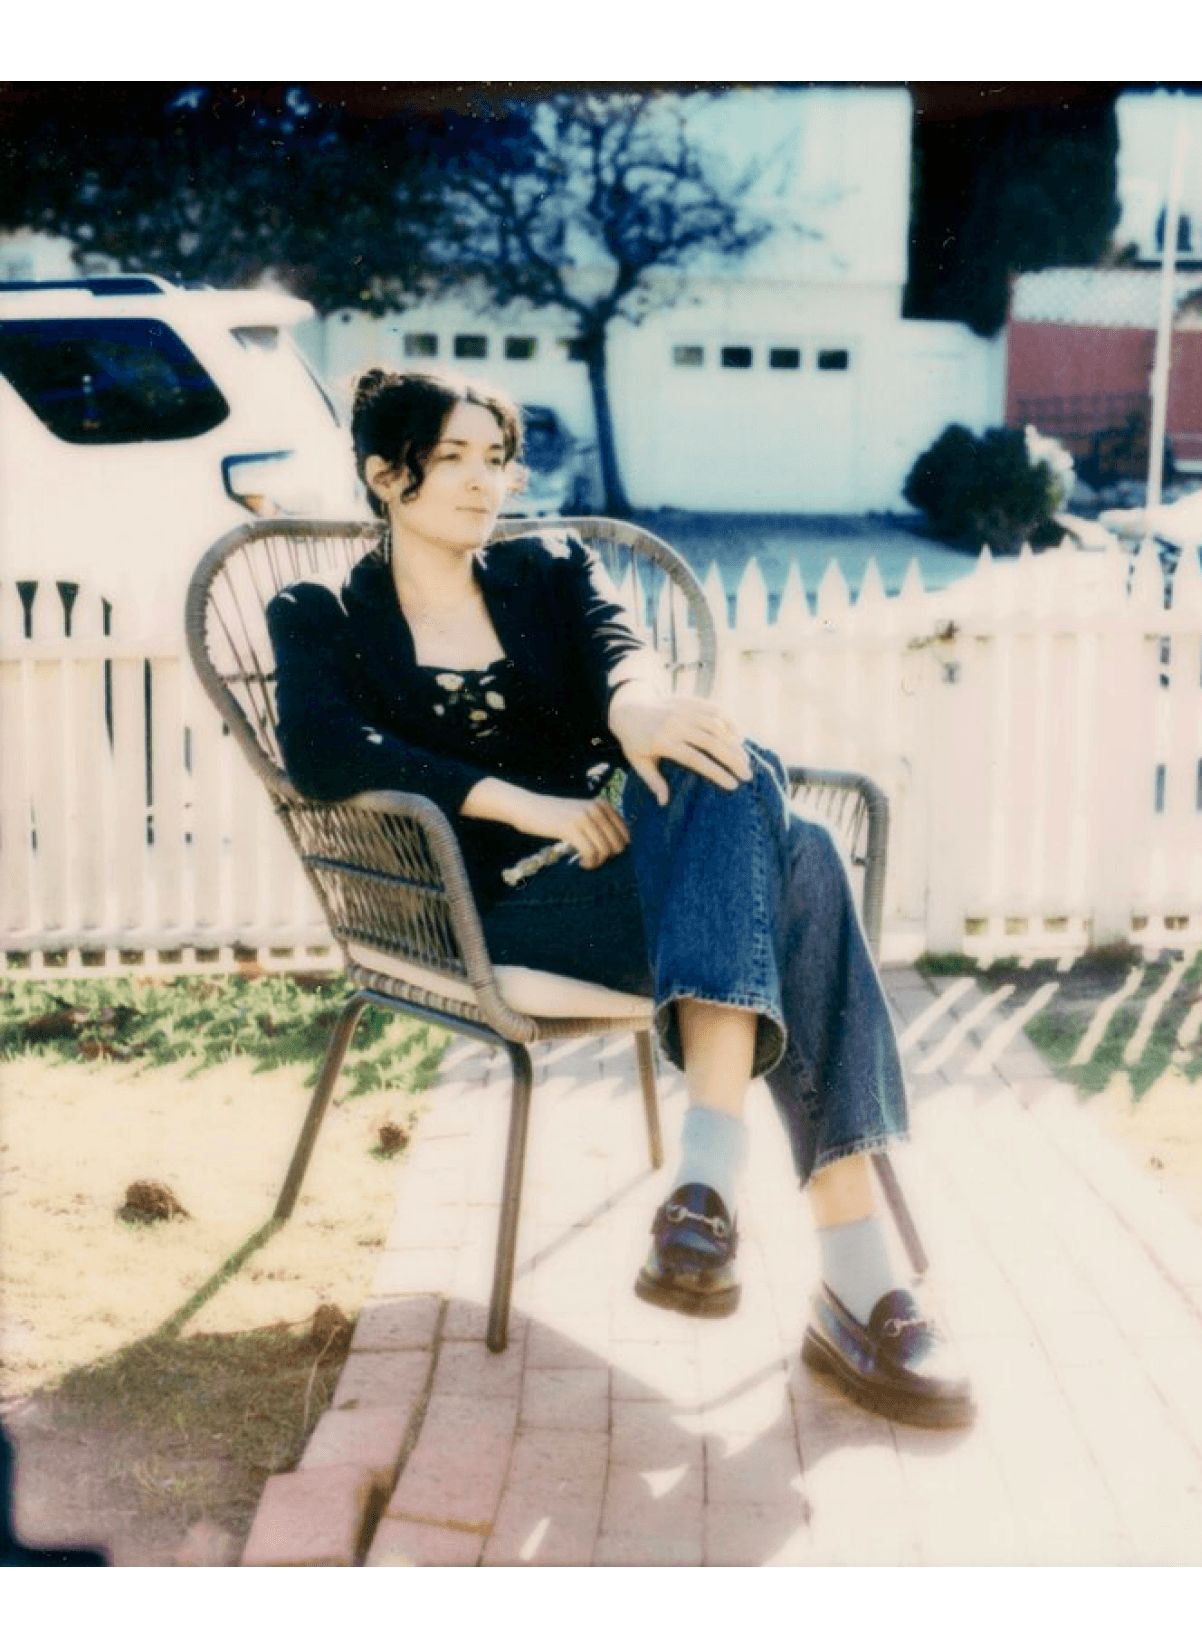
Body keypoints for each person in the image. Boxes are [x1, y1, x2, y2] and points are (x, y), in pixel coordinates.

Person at [267, 367, 970, 1428]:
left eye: (494, 459)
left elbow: (619, 652)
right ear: (384, 472)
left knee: (723, 766)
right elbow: (325, 749)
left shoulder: (548, 566)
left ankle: (708, 1193)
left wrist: (638, 710)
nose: (482, 484)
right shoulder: (321, 612)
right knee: (806, 857)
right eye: (451, 458)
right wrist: (524, 806)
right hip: (493, 906)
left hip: (648, 890)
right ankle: (848, 1273)